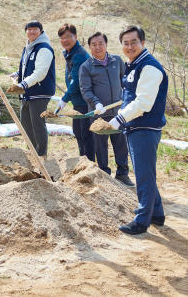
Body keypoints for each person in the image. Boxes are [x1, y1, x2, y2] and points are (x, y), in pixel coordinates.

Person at [108, 25, 168, 235]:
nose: (129, 46)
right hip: (136, 127)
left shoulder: (149, 67)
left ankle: (142, 221)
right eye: (125, 43)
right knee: (146, 173)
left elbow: (143, 103)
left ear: (143, 42)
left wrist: (119, 118)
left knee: (143, 175)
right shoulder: (134, 65)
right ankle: (157, 214)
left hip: (145, 127)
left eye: (134, 42)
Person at [79, 32, 134, 187]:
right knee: (100, 146)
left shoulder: (117, 61)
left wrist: (127, 99)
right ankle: (105, 174)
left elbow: (126, 82)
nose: (98, 47)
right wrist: (96, 103)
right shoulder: (86, 67)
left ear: (106, 44)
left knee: (121, 143)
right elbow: (86, 90)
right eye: (94, 45)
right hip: (99, 115)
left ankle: (123, 174)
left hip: (118, 113)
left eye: (100, 43)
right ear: (89, 47)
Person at [10, 20, 56, 157]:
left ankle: (41, 155)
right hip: (27, 92)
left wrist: (22, 84)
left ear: (41, 31)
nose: (31, 32)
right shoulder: (29, 47)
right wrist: (19, 74)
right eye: (29, 29)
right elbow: (29, 66)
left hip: (39, 92)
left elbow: (40, 72)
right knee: (26, 124)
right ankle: (32, 152)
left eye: (35, 29)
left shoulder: (44, 48)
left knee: (37, 125)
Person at [56, 23, 93, 160]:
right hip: (78, 101)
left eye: (68, 37)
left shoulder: (79, 55)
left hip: (85, 101)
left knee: (85, 134)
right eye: (62, 38)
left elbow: (76, 81)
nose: (65, 40)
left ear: (75, 36)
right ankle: (83, 161)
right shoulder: (70, 53)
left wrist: (65, 98)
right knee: (78, 132)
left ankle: (89, 164)